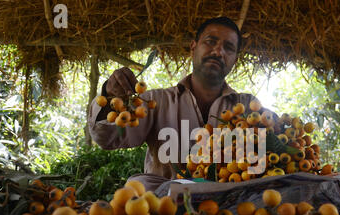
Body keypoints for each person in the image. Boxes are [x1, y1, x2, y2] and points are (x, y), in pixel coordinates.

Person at [88, 17, 268, 192]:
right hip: (162, 205)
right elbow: (106, 138)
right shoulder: (155, 102)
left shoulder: (247, 106)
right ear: (193, 47)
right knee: (139, 186)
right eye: (210, 41)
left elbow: (266, 156)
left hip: (228, 205)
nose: (218, 52)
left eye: (228, 48)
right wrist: (109, 95)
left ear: (235, 60)